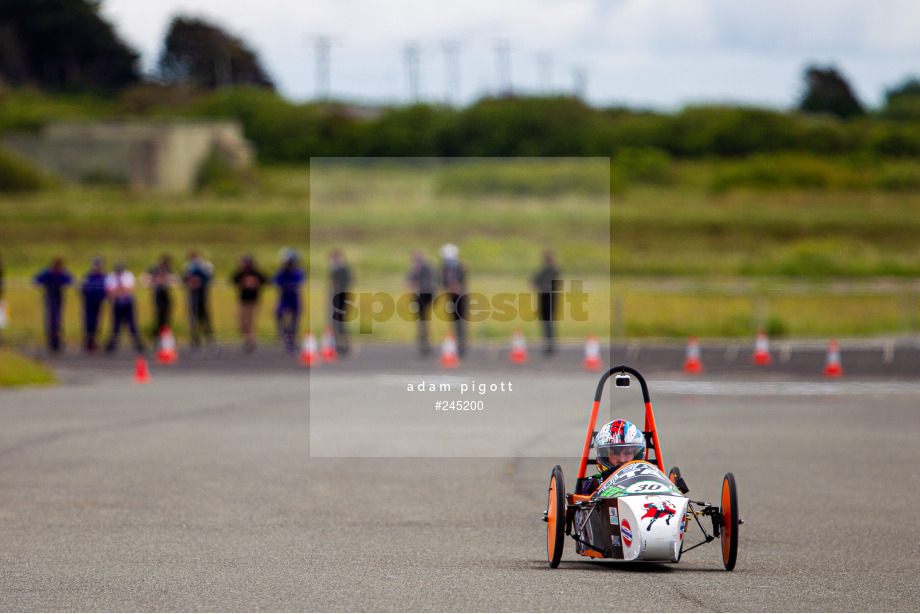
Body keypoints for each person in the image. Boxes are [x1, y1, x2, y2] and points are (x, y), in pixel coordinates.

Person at [579, 419, 647, 494]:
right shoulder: (593, 486)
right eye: (615, 453)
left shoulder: (649, 480)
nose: (622, 459)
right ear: (605, 457)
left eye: (628, 453)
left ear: (636, 455)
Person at [33, 256, 73, 352]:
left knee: (57, 319)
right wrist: (46, 284)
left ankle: (57, 340)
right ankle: (52, 340)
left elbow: (70, 280)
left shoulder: (62, 273)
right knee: (52, 319)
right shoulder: (48, 272)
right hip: (50, 297)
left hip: (58, 297)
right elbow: (36, 279)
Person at [104, 262, 145, 354]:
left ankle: (139, 345)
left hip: (127, 303)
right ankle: (111, 345)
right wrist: (120, 289)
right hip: (117, 303)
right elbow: (110, 291)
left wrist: (119, 289)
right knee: (115, 326)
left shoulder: (128, 275)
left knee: (132, 325)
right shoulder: (111, 277)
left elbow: (129, 289)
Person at [230, 253, 267, 353]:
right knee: (241, 321)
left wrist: (256, 282)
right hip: (243, 300)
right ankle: (246, 337)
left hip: (254, 301)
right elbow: (233, 280)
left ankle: (250, 340)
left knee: (251, 321)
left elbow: (265, 279)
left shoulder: (255, 273)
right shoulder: (241, 273)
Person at [272, 248, 306, 354]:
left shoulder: (297, 271)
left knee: (294, 320)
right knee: (278, 314)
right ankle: (284, 334)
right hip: (284, 297)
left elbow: (300, 280)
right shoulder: (282, 272)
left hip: (294, 298)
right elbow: (275, 281)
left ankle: (291, 340)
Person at [182, 250, 216, 352]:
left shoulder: (206, 265)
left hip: (203, 295)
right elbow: (184, 279)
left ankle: (209, 338)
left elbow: (209, 277)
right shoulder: (187, 266)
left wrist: (199, 270)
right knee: (193, 318)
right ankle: (195, 339)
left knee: (205, 317)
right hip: (192, 296)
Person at [439, 243, 469, 357]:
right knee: (454, 321)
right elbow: (443, 282)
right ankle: (455, 342)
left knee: (461, 321)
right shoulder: (444, 268)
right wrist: (449, 288)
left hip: (461, 297)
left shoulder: (460, 267)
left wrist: (458, 288)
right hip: (451, 296)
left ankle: (462, 344)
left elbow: (463, 282)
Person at [405, 249, 436, 357]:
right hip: (418, 297)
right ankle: (423, 342)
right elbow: (408, 281)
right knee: (421, 321)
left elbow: (429, 284)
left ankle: (426, 342)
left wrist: (416, 285)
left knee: (423, 320)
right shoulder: (414, 269)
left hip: (426, 296)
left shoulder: (427, 268)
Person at [532, 249, 562, 354]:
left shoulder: (551, 271)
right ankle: (549, 343)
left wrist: (542, 287)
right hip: (547, 298)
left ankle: (550, 344)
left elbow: (535, 283)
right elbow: (534, 282)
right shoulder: (548, 271)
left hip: (549, 299)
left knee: (548, 322)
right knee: (547, 322)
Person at [143, 254, 178, 339]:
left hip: (166, 293)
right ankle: (158, 332)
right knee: (159, 314)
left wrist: (168, 281)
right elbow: (145, 278)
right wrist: (154, 282)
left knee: (167, 314)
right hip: (157, 293)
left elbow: (175, 279)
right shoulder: (154, 269)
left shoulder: (168, 269)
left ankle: (166, 332)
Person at [80, 256, 107, 353]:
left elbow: (106, 289)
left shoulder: (103, 277)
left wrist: (103, 297)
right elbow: (83, 289)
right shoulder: (89, 276)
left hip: (98, 302)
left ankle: (94, 341)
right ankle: (88, 342)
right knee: (89, 322)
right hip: (89, 302)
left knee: (97, 322)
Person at [328, 249, 352, 355]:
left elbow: (347, 283)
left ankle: (345, 345)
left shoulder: (343, 270)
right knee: (334, 323)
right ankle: (337, 345)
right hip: (335, 299)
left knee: (341, 324)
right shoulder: (335, 270)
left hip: (342, 299)